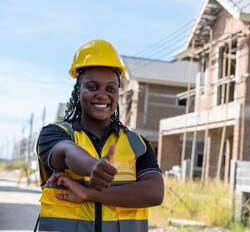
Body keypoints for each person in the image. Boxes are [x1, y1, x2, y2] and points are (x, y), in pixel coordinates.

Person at [37, 39, 164, 232]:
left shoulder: (137, 144)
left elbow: (155, 193)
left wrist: (89, 194)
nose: (102, 95)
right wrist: (93, 166)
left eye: (110, 88)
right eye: (93, 87)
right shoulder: (56, 133)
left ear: (118, 94)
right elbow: (67, 152)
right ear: (79, 91)